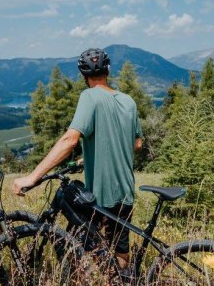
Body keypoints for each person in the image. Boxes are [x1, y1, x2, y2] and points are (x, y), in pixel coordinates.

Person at [12, 48, 143, 270]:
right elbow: (137, 144)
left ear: (84, 75)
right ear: (108, 71)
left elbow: (70, 140)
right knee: (120, 250)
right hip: (126, 189)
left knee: (82, 241)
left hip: (102, 192)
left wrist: (33, 177)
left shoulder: (89, 96)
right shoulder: (128, 101)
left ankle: (80, 285)